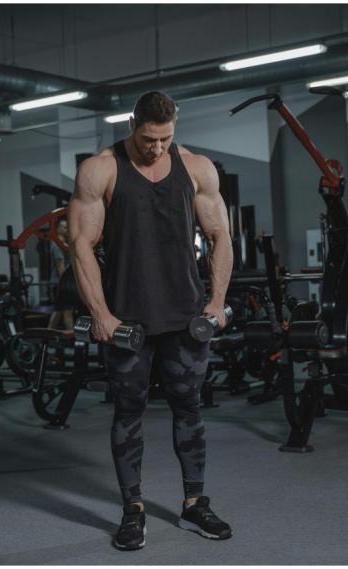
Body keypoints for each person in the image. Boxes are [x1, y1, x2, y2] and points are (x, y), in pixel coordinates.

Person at [68, 91, 233, 550]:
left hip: (185, 316)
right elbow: (81, 243)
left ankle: (195, 503)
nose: (156, 148)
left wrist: (217, 301)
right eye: (148, 139)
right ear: (131, 125)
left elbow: (220, 234)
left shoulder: (197, 168)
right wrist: (100, 313)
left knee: (191, 410)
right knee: (128, 414)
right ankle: (132, 510)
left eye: (165, 139)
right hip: (127, 320)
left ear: (174, 128)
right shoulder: (100, 169)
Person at [48, 218, 74, 330]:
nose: (67, 229)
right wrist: (66, 285)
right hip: (60, 284)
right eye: (65, 227)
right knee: (67, 311)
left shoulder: (64, 245)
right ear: (58, 229)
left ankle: (48, 337)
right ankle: (73, 339)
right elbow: (60, 267)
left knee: (58, 312)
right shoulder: (57, 245)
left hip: (62, 284)